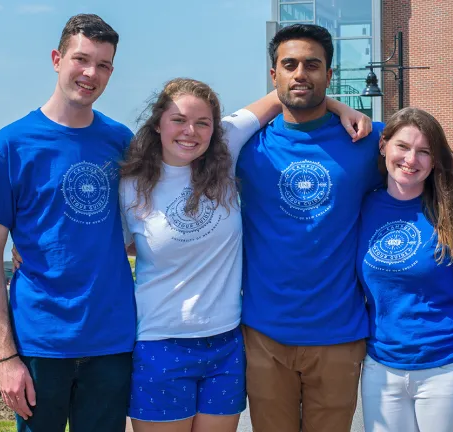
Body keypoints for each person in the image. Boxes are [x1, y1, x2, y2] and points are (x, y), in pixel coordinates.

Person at [118, 78, 370, 432]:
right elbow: (108, 245)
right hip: (160, 342)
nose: (190, 131)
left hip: (225, 343)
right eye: (178, 120)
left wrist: (340, 106)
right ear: (157, 122)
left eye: (202, 122)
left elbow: (283, 93)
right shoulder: (131, 185)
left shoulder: (225, 147)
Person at [0, 14, 136, 432]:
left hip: (111, 342)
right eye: (81, 59)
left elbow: (145, 228)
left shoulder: (121, 142)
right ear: (56, 58)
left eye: (103, 65)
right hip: (39, 343)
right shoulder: (12, 143)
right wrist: (6, 358)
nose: (90, 73)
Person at [235, 23, 384, 432]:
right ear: (274, 76)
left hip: (339, 333)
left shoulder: (368, 141)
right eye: (290, 64)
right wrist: (340, 104)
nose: (301, 74)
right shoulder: (246, 147)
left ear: (329, 76)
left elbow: (430, 162)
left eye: (312, 65)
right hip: (264, 332)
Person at [357, 107, 453, 432]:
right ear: (383, 145)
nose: (411, 159)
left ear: (435, 160)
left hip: (447, 367)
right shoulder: (362, 206)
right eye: (403, 147)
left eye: (424, 151)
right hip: (381, 367)